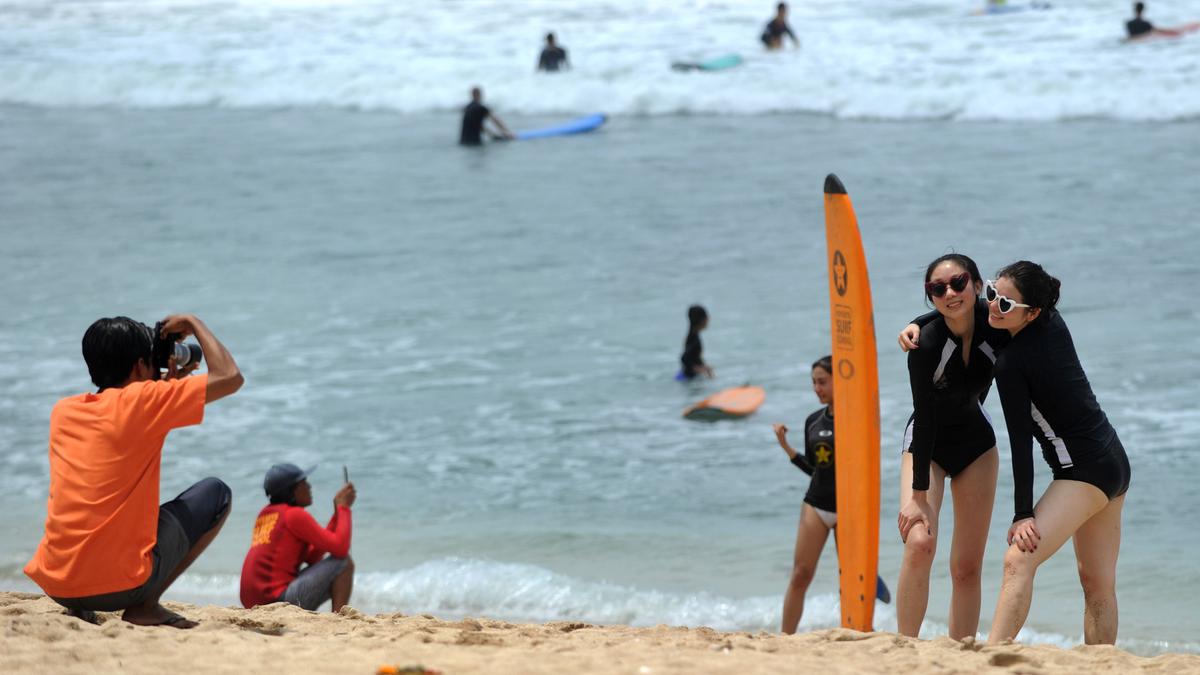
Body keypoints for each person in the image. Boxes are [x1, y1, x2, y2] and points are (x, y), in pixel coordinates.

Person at [24, 314, 243, 628]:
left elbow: (124, 420)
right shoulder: (145, 403)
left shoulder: (64, 411)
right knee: (215, 493)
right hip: (119, 590)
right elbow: (230, 376)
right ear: (141, 366)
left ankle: (86, 601)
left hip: (59, 586)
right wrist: (195, 324)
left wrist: (161, 388)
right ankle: (146, 605)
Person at [982, 261, 1130, 645]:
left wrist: (1022, 514)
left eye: (1005, 305)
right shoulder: (1053, 321)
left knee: (1018, 560)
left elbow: (1020, 441)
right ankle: (1102, 667)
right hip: (1113, 460)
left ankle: (990, 658)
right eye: (991, 294)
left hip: (1083, 472)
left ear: (1031, 312)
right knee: (1097, 583)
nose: (993, 307)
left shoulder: (1010, 365)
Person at [894, 254, 1009, 640]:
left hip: (977, 445)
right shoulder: (924, 344)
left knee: (966, 567)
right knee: (920, 542)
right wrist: (918, 495)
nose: (949, 292)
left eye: (958, 282)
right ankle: (905, 648)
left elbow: (1033, 318)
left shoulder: (997, 329)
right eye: (936, 289)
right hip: (927, 444)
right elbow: (924, 416)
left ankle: (962, 652)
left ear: (977, 284)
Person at [774, 356, 889, 633]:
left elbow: (868, 468)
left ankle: (857, 629)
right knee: (801, 574)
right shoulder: (813, 421)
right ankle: (785, 637)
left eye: (822, 381)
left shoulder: (858, 419)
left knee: (852, 579)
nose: (817, 388)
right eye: (814, 382)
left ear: (840, 380)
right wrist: (786, 447)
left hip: (849, 508)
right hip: (816, 505)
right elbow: (816, 469)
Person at [240, 464, 357, 612]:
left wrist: (337, 515)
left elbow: (312, 557)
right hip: (277, 601)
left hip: (257, 602)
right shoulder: (293, 515)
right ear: (292, 491)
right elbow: (340, 549)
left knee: (339, 563)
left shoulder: (267, 514)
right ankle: (340, 619)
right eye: (304, 483)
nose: (309, 487)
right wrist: (344, 508)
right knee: (344, 563)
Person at [679, 305, 713, 379]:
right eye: (707, 317)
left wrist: (704, 366)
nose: (709, 320)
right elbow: (684, 358)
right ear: (702, 320)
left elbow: (694, 358)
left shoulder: (692, 335)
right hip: (689, 378)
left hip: (688, 376)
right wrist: (701, 369)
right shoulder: (694, 339)